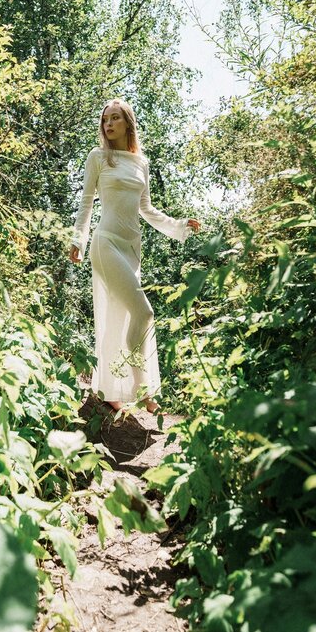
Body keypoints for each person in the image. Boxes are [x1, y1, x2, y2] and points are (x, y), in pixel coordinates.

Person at [70, 98, 200, 412]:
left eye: (115, 118)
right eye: (105, 120)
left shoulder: (141, 162)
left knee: (121, 318)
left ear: (128, 122)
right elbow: (86, 202)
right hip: (105, 243)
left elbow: (146, 209)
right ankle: (144, 391)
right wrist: (78, 240)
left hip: (132, 249)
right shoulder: (98, 157)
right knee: (144, 313)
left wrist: (179, 225)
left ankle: (109, 388)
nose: (108, 124)